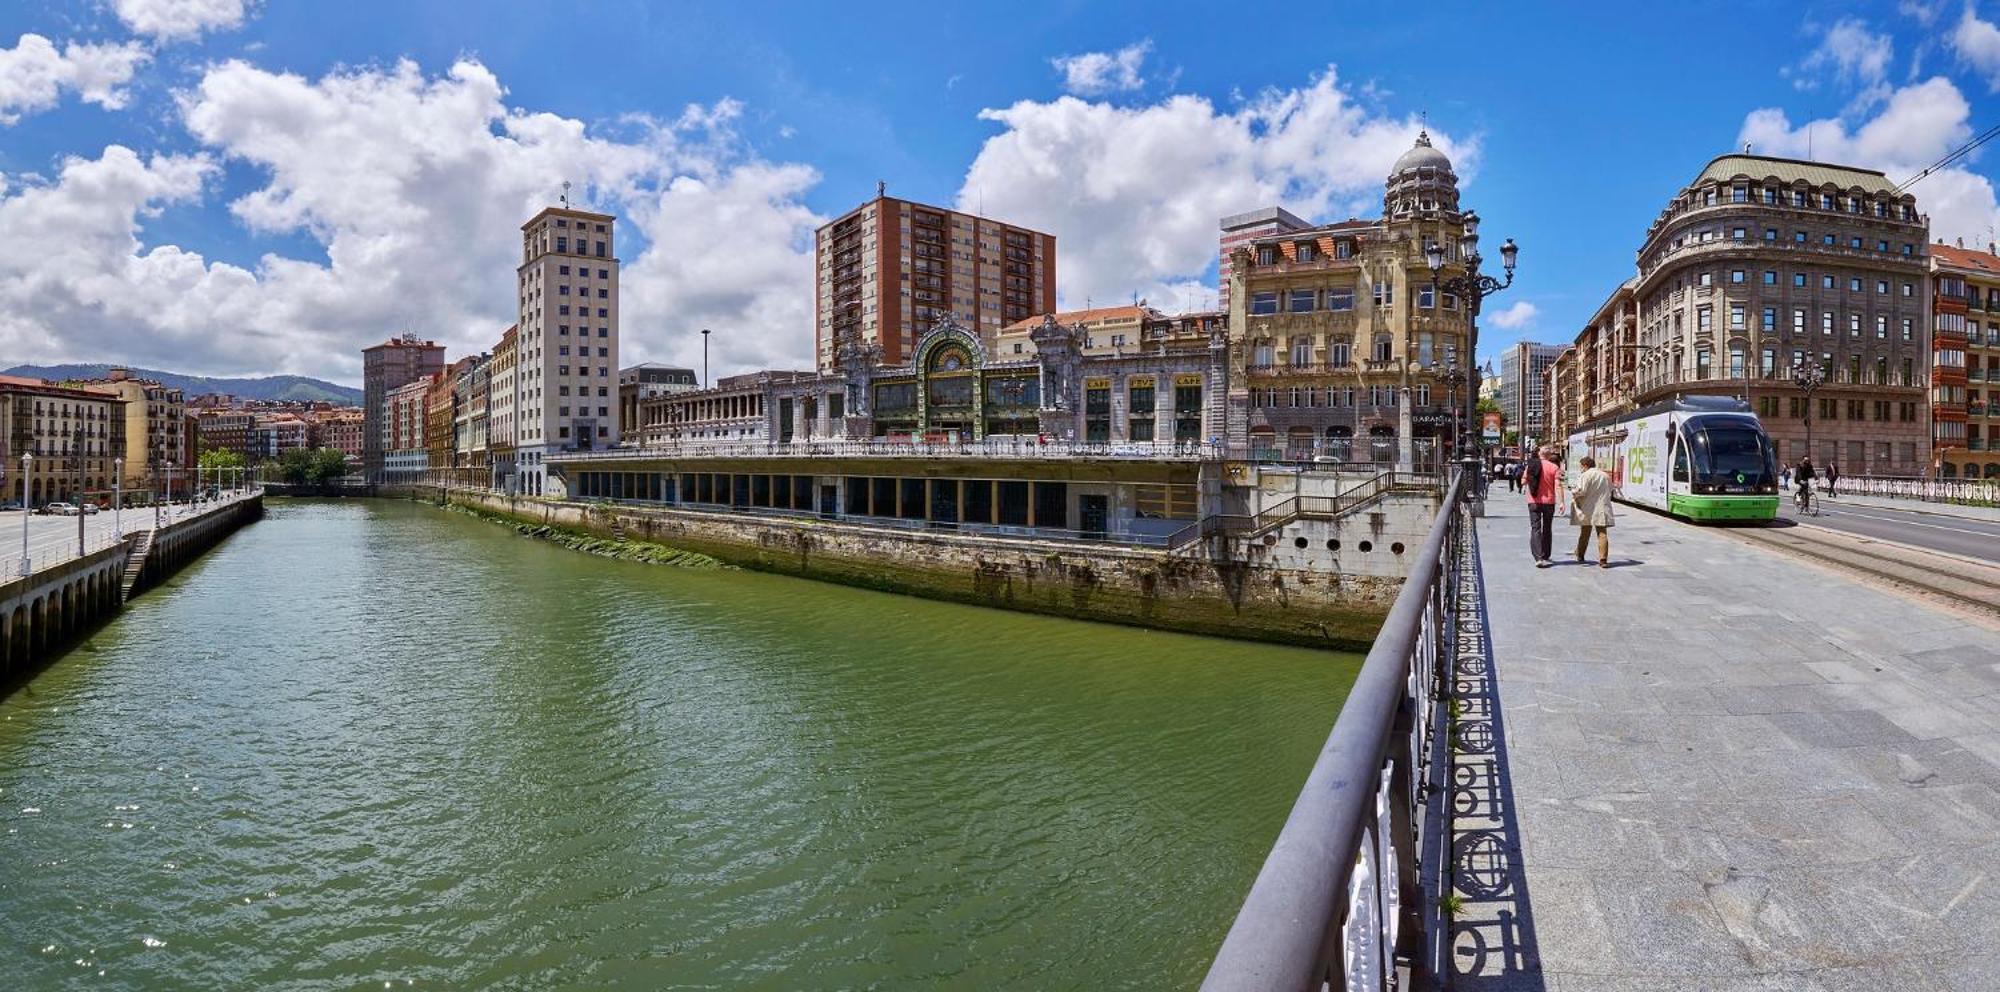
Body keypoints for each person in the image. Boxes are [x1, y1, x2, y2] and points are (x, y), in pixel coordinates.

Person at [1570, 454, 1615, 568]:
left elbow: (1581, 491)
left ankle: (1580, 555)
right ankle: (1603, 559)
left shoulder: (1585, 475)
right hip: (1602, 507)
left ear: (1585, 465)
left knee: (1585, 533)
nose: (1581, 469)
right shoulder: (1605, 475)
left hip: (1588, 508)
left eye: (1581, 466)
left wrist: (1574, 492)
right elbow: (1610, 489)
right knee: (1602, 533)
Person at [1522, 445, 1561, 567]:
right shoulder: (1554, 467)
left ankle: (1538, 557)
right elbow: (1558, 486)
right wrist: (1562, 502)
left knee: (1535, 528)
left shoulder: (1531, 466)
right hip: (1549, 502)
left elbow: (1523, 481)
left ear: (1539, 454)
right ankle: (1546, 554)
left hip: (1533, 501)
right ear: (1549, 456)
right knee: (1547, 528)